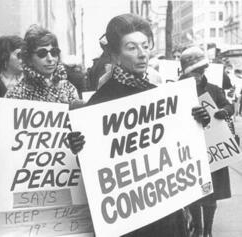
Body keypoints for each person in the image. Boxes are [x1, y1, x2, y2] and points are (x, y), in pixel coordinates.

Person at [68, 14, 211, 237]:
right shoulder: (100, 103)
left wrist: (197, 122)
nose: (142, 53)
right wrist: (79, 149)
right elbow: (94, 168)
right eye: (132, 48)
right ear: (115, 55)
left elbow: (180, 151)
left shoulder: (161, 96)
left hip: (167, 212)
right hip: (131, 223)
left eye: (145, 46)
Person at [179, 46, 234, 237]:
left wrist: (224, 111)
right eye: (195, 71)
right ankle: (198, 229)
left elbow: (229, 105)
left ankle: (208, 231)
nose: (200, 75)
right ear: (186, 70)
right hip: (188, 150)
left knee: (211, 195)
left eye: (202, 70)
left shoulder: (213, 89)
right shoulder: (175, 92)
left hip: (212, 148)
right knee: (194, 192)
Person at [5, 25, 81, 108]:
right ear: (29, 59)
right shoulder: (15, 95)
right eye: (42, 53)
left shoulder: (68, 89)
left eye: (54, 52)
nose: (50, 59)